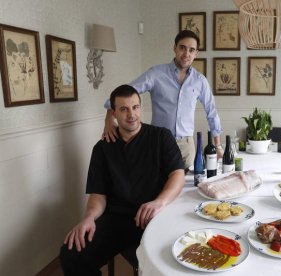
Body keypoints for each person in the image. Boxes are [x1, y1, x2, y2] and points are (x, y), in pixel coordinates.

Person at [59, 84, 185, 275]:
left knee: (171, 261)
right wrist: (88, 218)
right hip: (116, 220)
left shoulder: (161, 137)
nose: (131, 114)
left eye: (135, 107)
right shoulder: (102, 149)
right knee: (71, 253)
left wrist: (159, 202)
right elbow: (98, 194)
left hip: (154, 217)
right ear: (113, 113)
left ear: (141, 108)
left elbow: (177, 174)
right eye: (124, 109)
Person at [102, 30, 223, 169]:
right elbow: (126, 92)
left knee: (185, 186)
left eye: (191, 50)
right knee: (158, 184)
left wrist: (218, 145)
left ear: (196, 53)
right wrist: (109, 117)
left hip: (186, 146)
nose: (186, 54)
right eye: (182, 48)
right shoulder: (156, 74)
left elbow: (211, 111)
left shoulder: (200, 81)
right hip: (158, 143)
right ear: (175, 48)